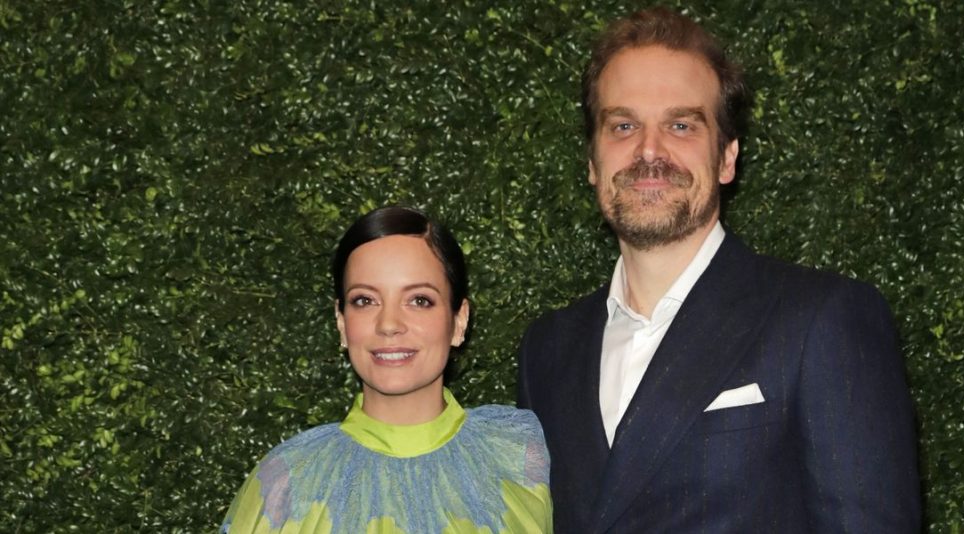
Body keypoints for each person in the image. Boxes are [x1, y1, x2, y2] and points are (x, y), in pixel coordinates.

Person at [517, 7, 920, 533]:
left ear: (727, 158)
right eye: (624, 125)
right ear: (593, 162)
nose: (649, 150)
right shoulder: (546, 351)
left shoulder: (820, 320)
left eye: (681, 125)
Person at [223, 206, 551, 533]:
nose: (389, 324)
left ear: (459, 320)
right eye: (365, 300)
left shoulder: (521, 458)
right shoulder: (285, 483)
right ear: (342, 322)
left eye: (419, 300)